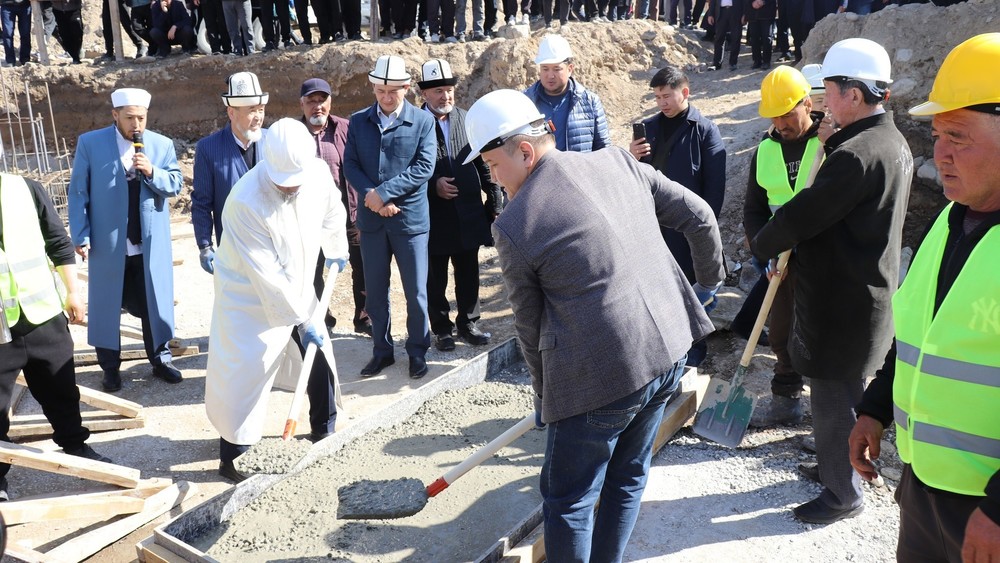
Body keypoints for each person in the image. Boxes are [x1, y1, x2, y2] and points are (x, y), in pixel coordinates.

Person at [465, 88, 724, 560]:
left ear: (524, 151)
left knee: (569, 500)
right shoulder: (618, 161)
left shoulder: (515, 225)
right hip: (669, 351)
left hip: (602, 378)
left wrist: (546, 399)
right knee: (627, 476)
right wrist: (707, 284)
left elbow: (529, 327)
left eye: (493, 167)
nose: (494, 180)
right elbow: (701, 216)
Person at [848, 32, 1000, 562]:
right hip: (924, 485)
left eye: (958, 136)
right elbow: (922, 335)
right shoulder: (950, 221)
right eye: (937, 135)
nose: (940, 154)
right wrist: (874, 408)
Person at [750, 37, 912, 524]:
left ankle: (842, 494)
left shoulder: (855, 155)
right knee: (847, 391)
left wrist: (764, 242)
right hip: (865, 291)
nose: (824, 101)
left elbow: (803, 214)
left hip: (841, 301)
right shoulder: (891, 142)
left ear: (854, 94)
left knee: (832, 396)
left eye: (831, 91)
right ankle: (836, 461)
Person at [205, 118, 348, 482]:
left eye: (296, 180)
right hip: (248, 296)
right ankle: (234, 455)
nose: (291, 187)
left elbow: (333, 211)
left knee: (318, 354)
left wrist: (336, 248)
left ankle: (324, 428)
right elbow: (267, 276)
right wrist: (303, 319)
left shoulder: (316, 173)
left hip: (298, 283)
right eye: (284, 182)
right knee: (244, 373)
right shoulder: (245, 201)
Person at [1, 174, 113, 502]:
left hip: (42, 313)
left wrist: (73, 292)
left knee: (61, 387)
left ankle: (75, 445)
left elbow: (57, 240)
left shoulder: (25, 189)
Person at [68, 88, 184, 393]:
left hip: (149, 243)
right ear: (115, 115)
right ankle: (110, 368)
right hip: (109, 244)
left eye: (141, 118)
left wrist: (152, 171)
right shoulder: (91, 143)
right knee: (106, 305)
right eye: (130, 117)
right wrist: (80, 233)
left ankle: (161, 360)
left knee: (154, 302)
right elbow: (78, 191)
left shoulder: (161, 145)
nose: (136, 124)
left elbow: (175, 184)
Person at [343, 55, 436, 379]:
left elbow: (424, 167)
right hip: (372, 222)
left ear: (406, 88)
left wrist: (383, 193)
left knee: (416, 292)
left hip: (409, 222)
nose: (386, 97)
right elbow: (350, 164)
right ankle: (382, 351)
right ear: (373, 88)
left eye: (393, 91)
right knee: (376, 291)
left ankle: (417, 351)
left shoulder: (422, 121)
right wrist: (373, 196)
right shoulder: (358, 121)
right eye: (380, 91)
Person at [628, 65, 725, 367]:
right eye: (657, 97)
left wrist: (703, 230)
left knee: (692, 289)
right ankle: (662, 350)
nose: (662, 103)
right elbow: (635, 179)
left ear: (685, 92)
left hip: (690, 229)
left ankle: (693, 351)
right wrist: (631, 157)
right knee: (657, 287)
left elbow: (715, 188)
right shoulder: (649, 128)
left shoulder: (705, 130)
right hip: (653, 226)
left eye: (667, 96)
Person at [743, 66, 824, 428]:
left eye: (788, 114)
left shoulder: (829, 145)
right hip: (781, 261)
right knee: (780, 333)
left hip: (823, 260)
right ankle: (786, 400)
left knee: (823, 336)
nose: (781, 123)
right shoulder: (764, 150)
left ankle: (829, 415)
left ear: (807, 104)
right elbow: (754, 210)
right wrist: (764, 253)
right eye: (774, 116)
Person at [416, 59, 502, 353]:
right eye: (438, 91)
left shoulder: (468, 119)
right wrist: (433, 185)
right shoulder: (413, 124)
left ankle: (468, 323)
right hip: (432, 216)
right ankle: (441, 329)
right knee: (435, 276)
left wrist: (494, 199)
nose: (446, 96)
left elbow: (485, 162)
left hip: (468, 212)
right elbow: (406, 168)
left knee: (468, 271)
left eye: (449, 90)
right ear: (424, 94)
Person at [298, 77, 370, 336]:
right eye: (311, 101)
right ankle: (322, 317)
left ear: (330, 102)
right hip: (309, 217)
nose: (317, 106)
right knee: (313, 269)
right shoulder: (294, 134)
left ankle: (364, 317)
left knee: (362, 265)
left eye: (322, 100)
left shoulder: (346, 128)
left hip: (349, 211)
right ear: (302, 104)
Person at [192, 71, 268, 274]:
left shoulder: (272, 142)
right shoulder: (208, 148)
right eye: (252, 110)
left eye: (261, 109)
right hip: (233, 250)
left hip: (272, 248)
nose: (258, 117)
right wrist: (205, 245)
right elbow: (201, 203)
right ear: (232, 113)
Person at [524, 35, 610, 153]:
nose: (550, 75)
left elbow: (604, 150)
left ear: (569, 69)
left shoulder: (590, 102)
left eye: (556, 69)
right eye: (545, 69)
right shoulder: (525, 102)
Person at [706, 0, 744, 71]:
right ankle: (716, 64)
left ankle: (733, 63)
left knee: (736, 37)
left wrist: (745, 14)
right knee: (719, 38)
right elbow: (713, 1)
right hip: (721, 12)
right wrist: (710, 14)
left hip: (736, 12)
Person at [744, 0, 775, 70]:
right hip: (752, 13)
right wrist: (752, 3)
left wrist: (763, 2)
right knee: (754, 38)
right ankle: (757, 61)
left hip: (767, 13)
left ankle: (766, 61)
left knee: (767, 38)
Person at [50, 0, 83, 64]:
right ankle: (74, 57)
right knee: (64, 34)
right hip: (57, 8)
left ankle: (77, 55)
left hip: (74, 8)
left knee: (77, 31)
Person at [1, 0, 31, 66]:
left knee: (25, 33)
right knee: (7, 34)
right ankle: (10, 60)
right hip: (6, 5)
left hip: (25, 5)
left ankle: (25, 59)